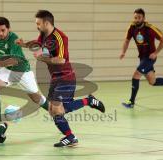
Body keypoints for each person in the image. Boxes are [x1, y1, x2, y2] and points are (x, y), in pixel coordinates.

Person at [17, 10, 105, 147]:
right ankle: (86, 107)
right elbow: (37, 44)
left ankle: (72, 134)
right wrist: (24, 45)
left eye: (38, 24)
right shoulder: (43, 35)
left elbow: (61, 60)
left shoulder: (60, 37)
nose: (37, 26)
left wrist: (42, 58)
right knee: (53, 110)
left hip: (66, 77)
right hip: (55, 78)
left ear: (47, 23)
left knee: (57, 109)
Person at [0, 17, 49, 115]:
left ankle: (56, 113)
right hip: (7, 70)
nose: (0, 33)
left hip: (22, 71)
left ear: (9, 29)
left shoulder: (13, 39)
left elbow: (14, 61)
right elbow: (1, 50)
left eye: (3, 30)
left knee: (36, 98)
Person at [120, 8, 163, 108]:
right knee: (152, 82)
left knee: (136, 75)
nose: (137, 19)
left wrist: (156, 52)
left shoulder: (150, 28)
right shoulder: (132, 27)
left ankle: (131, 102)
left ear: (143, 18)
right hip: (142, 58)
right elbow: (127, 40)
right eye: (135, 17)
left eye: (139, 18)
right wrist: (123, 52)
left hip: (150, 57)